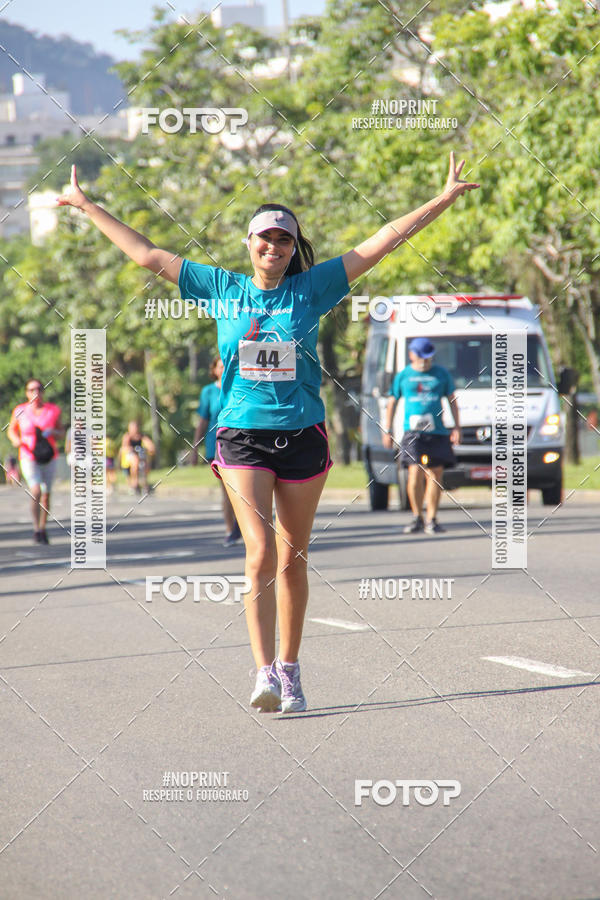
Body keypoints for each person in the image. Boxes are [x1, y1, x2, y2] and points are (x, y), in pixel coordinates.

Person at [56, 152, 479, 712]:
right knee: (258, 553)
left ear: (292, 248)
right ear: (248, 244)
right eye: (264, 239)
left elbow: (383, 241)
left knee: (290, 558)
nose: (273, 248)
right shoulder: (221, 287)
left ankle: (291, 666)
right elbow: (147, 254)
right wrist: (87, 206)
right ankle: (262, 674)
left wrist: (442, 199)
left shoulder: (314, 288)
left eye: (283, 240)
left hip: (302, 433)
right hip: (241, 435)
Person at [383, 337, 461, 535]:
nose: (425, 361)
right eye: (421, 357)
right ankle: (417, 516)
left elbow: (452, 400)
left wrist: (457, 427)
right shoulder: (404, 376)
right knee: (414, 474)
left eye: (428, 357)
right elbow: (392, 402)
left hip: (437, 433)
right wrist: (388, 430)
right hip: (413, 434)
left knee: (435, 475)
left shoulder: (441, 374)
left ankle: (432, 519)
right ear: (411, 355)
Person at [191, 355, 241, 546]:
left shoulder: (237, 386)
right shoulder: (208, 391)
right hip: (217, 444)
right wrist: (195, 447)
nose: (222, 369)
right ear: (213, 369)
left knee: (241, 489)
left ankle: (242, 527)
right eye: (219, 366)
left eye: (225, 366)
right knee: (227, 489)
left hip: (239, 442)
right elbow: (203, 420)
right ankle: (231, 530)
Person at [8, 379, 64, 544]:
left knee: (46, 495)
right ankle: (35, 527)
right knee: (36, 490)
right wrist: (15, 440)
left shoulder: (53, 410)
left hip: (48, 456)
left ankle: (42, 528)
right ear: (26, 393)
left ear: (43, 392)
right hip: (28, 455)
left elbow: (61, 431)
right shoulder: (20, 410)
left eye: (39, 389)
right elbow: (11, 430)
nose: (35, 393)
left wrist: (54, 431)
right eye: (31, 390)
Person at [120, 420, 155, 494]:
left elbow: (149, 444)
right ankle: (134, 483)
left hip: (139, 454)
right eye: (132, 428)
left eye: (135, 427)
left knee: (145, 463)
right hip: (129, 455)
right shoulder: (127, 436)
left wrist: (151, 448)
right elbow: (124, 447)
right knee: (135, 462)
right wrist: (130, 449)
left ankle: (144, 482)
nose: (134, 429)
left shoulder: (141, 436)